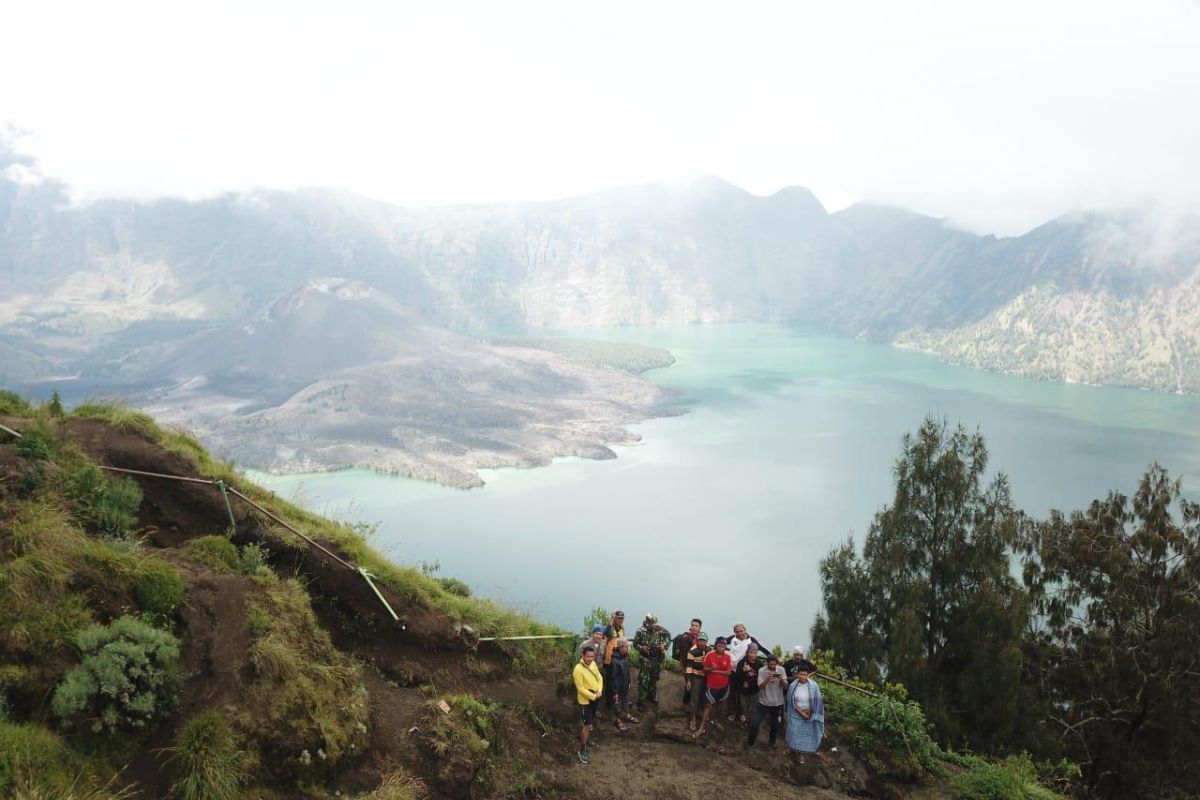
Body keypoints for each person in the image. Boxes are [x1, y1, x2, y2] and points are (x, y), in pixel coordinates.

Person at [745, 653, 787, 750]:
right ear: (766, 663)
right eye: (770, 664)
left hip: (777, 703)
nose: (772, 666)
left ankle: (772, 742)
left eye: (774, 664)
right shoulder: (762, 671)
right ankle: (750, 742)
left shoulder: (781, 670)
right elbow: (759, 686)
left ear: (777, 663)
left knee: (775, 725)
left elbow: (785, 686)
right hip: (763, 702)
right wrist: (767, 680)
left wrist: (780, 678)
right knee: (755, 723)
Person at [694, 636, 733, 738]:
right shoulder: (710, 655)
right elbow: (704, 669)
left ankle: (715, 721)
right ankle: (701, 727)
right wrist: (711, 668)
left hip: (724, 685)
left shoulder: (728, 657)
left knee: (720, 704)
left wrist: (714, 670)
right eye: (719, 646)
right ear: (715, 646)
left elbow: (728, 672)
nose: (721, 648)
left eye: (723, 646)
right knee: (708, 706)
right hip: (712, 685)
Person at [725, 622, 765, 722]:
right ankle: (731, 713)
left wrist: (773, 658)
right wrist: (729, 654)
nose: (739, 633)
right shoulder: (732, 639)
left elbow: (762, 648)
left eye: (741, 631)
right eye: (737, 632)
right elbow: (720, 643)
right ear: (734, 633)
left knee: (741, 693)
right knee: (732, 693)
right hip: (733, 670)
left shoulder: (751, 640)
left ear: (745, 630)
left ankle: (740, 713)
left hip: (745, 671)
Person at [632, 613, 671, 711]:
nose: (653, 625)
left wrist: (664, 645)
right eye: (651, 623)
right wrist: (642, 648)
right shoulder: (640, 631)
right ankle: (641, 701)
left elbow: (668, 636)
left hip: (656, 659)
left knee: (654, 679)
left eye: (654, 623)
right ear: (647, 622)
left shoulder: (660, 629)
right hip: (645, 659)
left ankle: (652, 696)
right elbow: (635, 644)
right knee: (644, 680)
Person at [573, 644, 604, 764]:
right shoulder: (578, 669)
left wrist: (599, 691)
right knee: (587, 725)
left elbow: (599, 678)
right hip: (585, 701)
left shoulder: (593, 664)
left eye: (592, 656)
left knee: (590, 723)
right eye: (588, 657)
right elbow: (580, 689)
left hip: (595, 697)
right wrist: (593, 696)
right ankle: (582, 749)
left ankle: (587, 740)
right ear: (583, 656)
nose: (590, 659)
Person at [785, 664, 825, 758]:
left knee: (804, 736)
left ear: (808, 675)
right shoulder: (793, 686)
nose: (802, 676)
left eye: (804, 675)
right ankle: (791, 748)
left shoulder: (813, 686)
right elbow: (791, 701)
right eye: (800, 674)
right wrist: (800, 712)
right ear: (797, 674)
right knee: (793, 733)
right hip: (796, 713)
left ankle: (801, 754)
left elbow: (817, 701)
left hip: (809, 713)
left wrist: (807, 711)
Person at [609, 638, 640, 731]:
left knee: (625, 701)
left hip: (625, 684)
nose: (629, 648)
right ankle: (617, 720)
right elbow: (613, 677)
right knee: (616, 703)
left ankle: (626, 715)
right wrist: (615, 691)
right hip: (617, 686)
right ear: (621, 647)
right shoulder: (614, 660)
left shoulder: (625, 656)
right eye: (627, 646)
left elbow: (627, 671)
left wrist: (629, 682)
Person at [673, 618, 702, 710]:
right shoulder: (686, 638)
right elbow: (683, 656)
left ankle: (690, 702)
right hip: (687, 666)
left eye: (696, 626)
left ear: (700, 627)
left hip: (696, 666)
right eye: (692, 625)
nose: (694, 627)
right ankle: (685, 704)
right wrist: (684, 669)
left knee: (693, 685)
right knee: (689, 684)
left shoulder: (698, 638)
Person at [685, 631, 710, 731]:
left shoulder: (709, 649)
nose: (702, 643)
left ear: (706, 641)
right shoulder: (692, 651)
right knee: (694, 697)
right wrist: (689, 680)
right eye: (700, 640)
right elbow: (689, 667)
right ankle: (693, 718)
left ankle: (700, 713)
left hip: (706, 677)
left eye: (703, 641)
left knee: (704, 696)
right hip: (696, 676)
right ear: (697, 641)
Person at [733, 643, 762, 725]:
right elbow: (737, 677)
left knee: (754, 708)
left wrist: (750, 683)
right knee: (744, 707)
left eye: (755, 653)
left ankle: (752, 723)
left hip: (754, 690)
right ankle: (744, 721)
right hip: (743, 690)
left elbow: (760, 677)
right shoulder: (742, 662)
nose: (753, 655)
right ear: (747, 652)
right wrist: (743, 671)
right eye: (751, 652)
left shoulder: (759, 664)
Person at [602, 610, 626, 711]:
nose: (620, 620)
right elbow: (603, 641)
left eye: (621, 618)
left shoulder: (621, 629)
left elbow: (623, 641)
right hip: (610, 659)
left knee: (619, 681)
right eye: (618, 618)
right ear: (614, 618)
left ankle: (617, 701)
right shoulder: (609, 628)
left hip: (620, 658)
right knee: (611, 682)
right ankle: (609, 703)